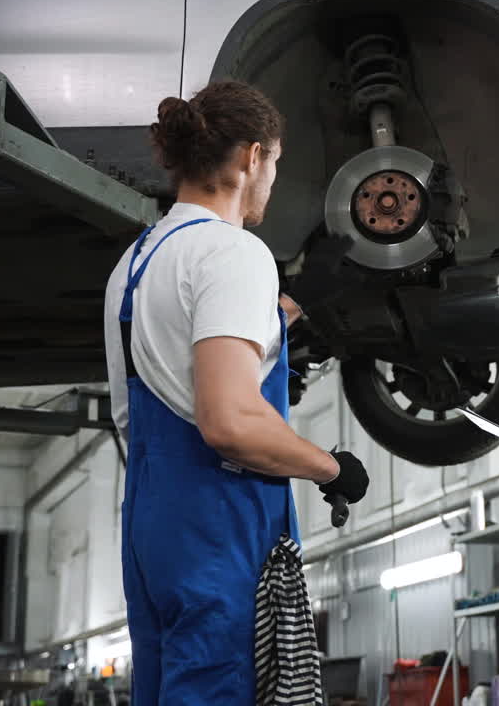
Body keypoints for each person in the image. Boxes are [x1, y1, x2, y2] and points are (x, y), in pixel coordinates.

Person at [102, 81, 370, 703]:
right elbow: (227, 422)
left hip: (152, 520)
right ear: (251, 157)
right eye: (274, 163)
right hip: (217, 522)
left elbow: (167, 375)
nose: (273, 180)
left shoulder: (138, 261)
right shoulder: (234, 253)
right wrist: (330, 468)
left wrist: (292, 307)